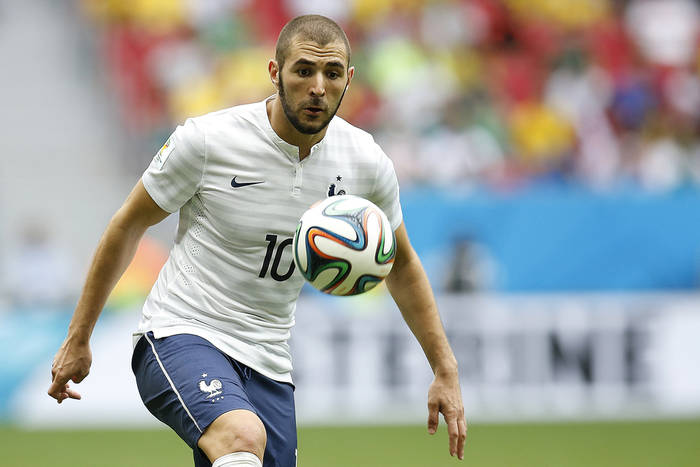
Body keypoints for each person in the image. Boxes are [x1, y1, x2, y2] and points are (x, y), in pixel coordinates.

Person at [48, 15, 467, 467]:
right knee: (241, 436)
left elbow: (401, 265)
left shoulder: (366, 162)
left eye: (331, 74)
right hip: (180, 332)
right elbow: (127, 225)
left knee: (246, 450)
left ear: (349, 80)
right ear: (274, 72)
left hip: (269, 361)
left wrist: (445, 368)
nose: (318, 87)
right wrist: (79, 337)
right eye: (303, 70)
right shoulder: (207, 141)